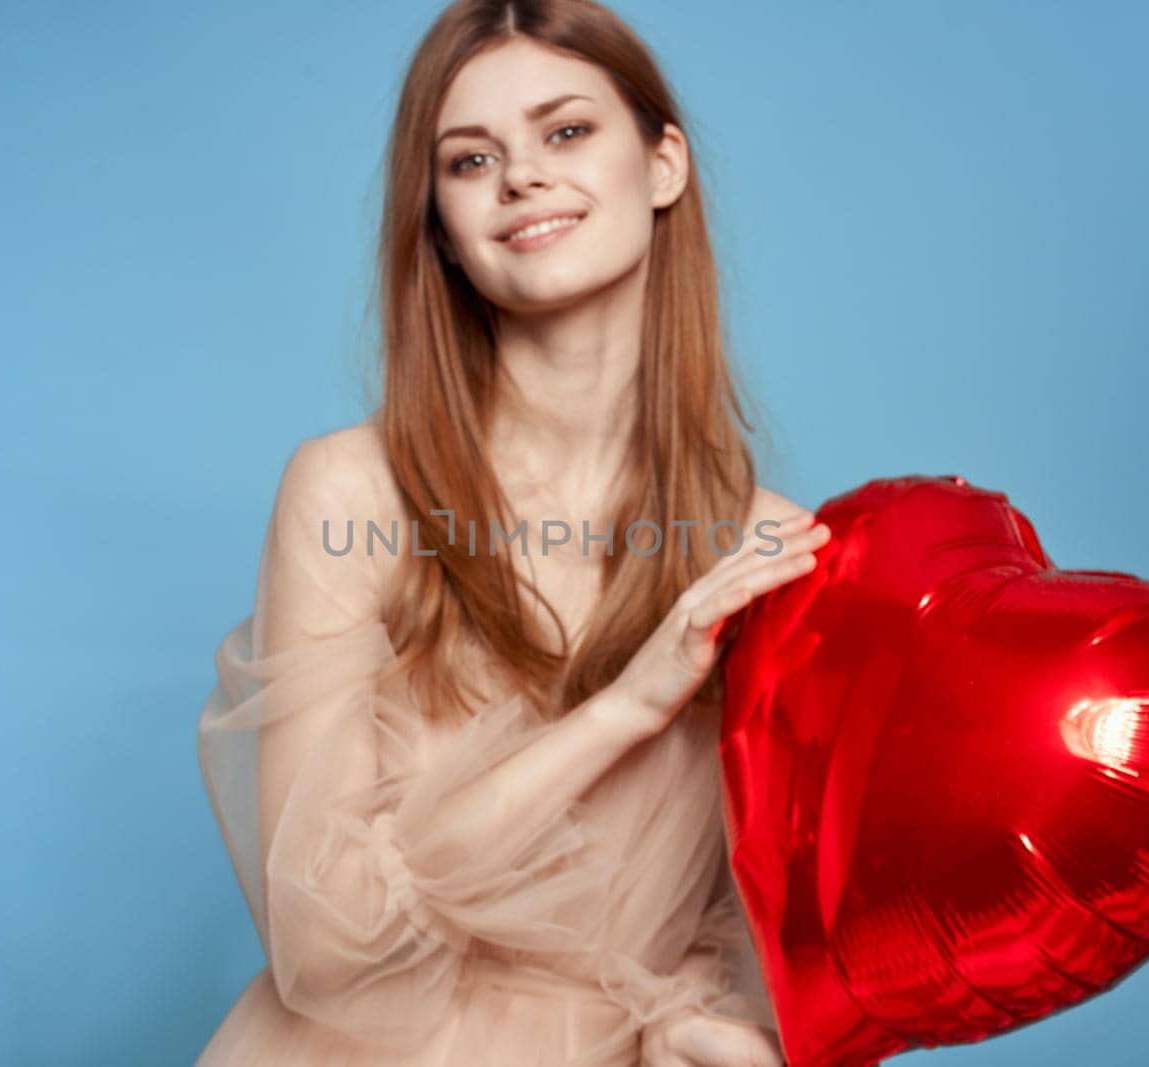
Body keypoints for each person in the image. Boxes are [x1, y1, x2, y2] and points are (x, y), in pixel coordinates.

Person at [195, 2, 831, 1063]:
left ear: (662, 163)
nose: (521, 175)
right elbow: (328, 935)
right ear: (439, 225)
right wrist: (624, 706)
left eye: (566, 131)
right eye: (469, 158)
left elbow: (752, 919)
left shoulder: (766, 548)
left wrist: (707, 1024)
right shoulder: (356, 493)